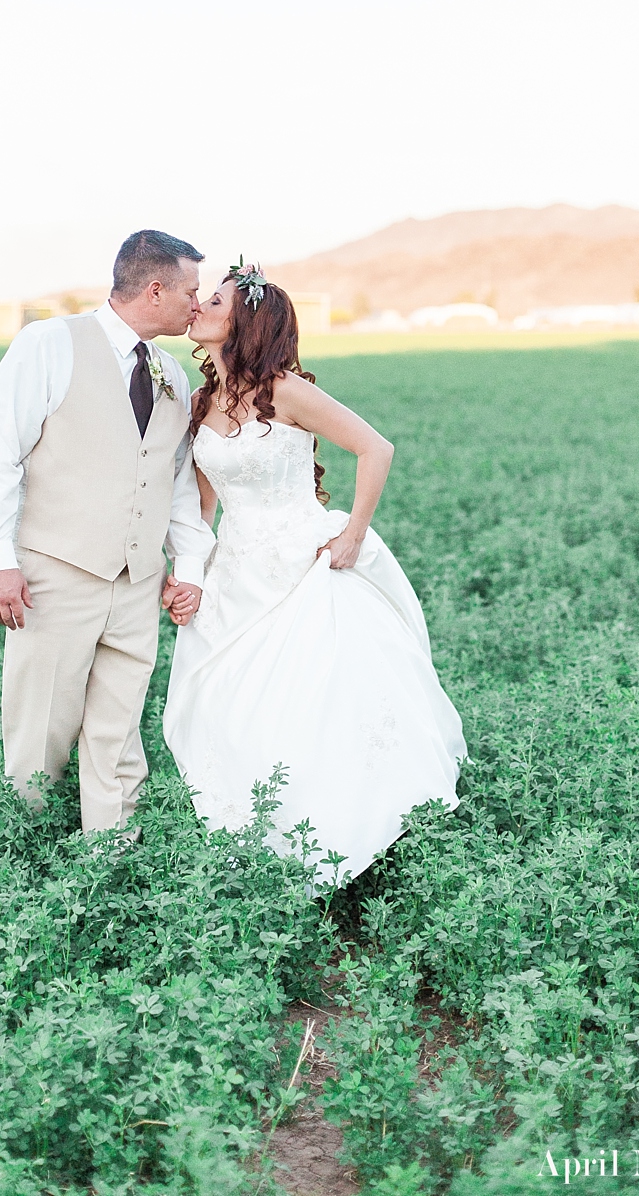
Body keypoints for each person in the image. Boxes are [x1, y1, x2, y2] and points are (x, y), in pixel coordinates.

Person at [163, 263, 467, 882]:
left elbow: (375, 447)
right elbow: (201, 505)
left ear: (241, 319)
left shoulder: (285, 390)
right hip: (237, 571)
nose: (198, 305)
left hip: (303, 560)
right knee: (234, 705)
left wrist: (352, 532)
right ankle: (260, 833)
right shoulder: (201, 402)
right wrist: (189, 572)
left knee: (319, 699)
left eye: (213, 299)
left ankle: (353, 833)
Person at [0, 230, 213, 835]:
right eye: (190, 291)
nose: (196, 304)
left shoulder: (171, 375)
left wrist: (188, 567)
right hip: (54, 575)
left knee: (119, 727)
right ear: (154, 289)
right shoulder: (48, 344)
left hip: (137, 582)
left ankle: (111, 853)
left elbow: (176, 481)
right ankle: (21, 849)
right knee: (41, 725)